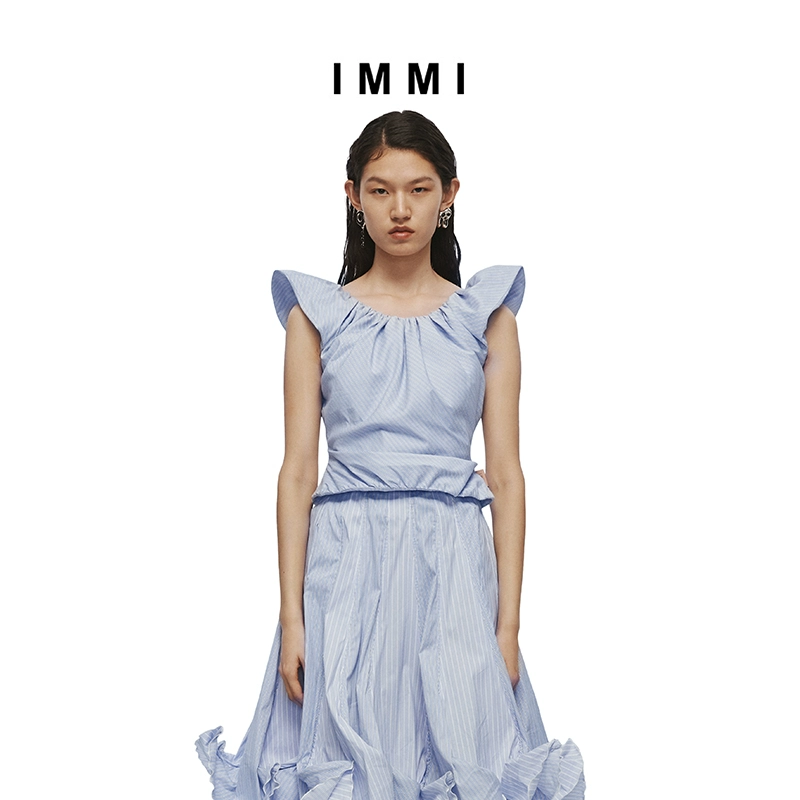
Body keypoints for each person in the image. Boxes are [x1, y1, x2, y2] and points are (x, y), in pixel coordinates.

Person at [196, 110, 585, 799]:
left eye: (418, 189)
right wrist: (292, 616)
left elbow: (506, 475)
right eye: (380, 190)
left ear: (449, 194)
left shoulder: (486, 317)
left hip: (452, 568)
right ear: (353, 196)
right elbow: (296, 472)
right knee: (344, 764)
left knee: (467, 758)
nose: (400, 209)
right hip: (345, 565)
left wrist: (508, 625)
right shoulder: (316, 316)